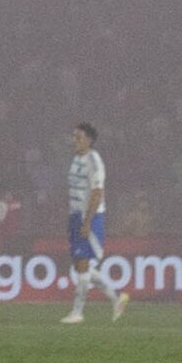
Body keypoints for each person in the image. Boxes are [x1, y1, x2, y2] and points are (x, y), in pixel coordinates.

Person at [63, 120, 121, 322]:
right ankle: (116, 298)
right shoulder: (76, 159)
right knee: (79, 264)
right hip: (76, 216)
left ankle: (77, 312)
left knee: (83, 263)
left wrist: (87, 222)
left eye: (78, 137)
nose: (74, 140)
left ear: (89, 140)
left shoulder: (94, 160)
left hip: (90, 216)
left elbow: (97, 193)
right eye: (74, 137)